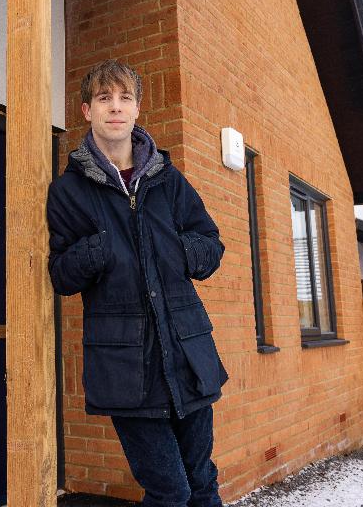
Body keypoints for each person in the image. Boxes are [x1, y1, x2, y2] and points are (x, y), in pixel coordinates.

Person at [46, 59, 227, 507]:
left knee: (202, 482)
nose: (115, 107)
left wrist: (175, 250)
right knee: (171, 491)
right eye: (104, 98)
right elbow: (61, 275)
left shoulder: (169, 181)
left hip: (187, 355)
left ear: (137, 109)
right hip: (127, 366)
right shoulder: (68, 191)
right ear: (86, 111)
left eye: (125, 98)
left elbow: (211, 246)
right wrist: (98, 250)